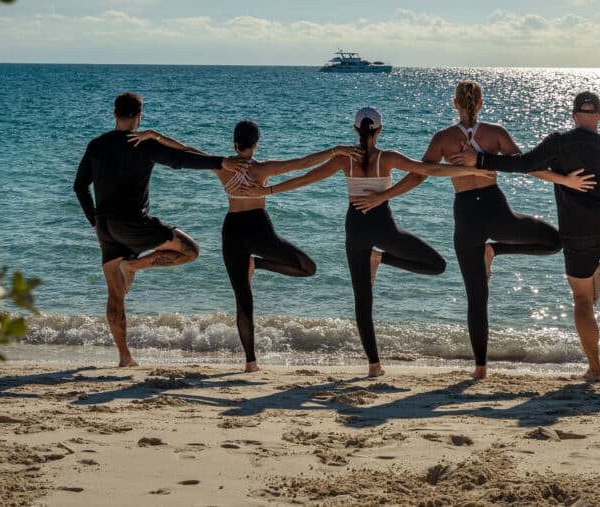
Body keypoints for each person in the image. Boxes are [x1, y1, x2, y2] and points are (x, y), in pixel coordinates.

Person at [352, 81, 596, 379]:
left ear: (455, 104)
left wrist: (383, 196)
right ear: (480, 104)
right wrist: (566, 180)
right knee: (554, 242)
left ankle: (480, 369)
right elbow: (527, 167)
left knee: (477, 297)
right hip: (496, 211)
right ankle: (496, 250)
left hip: (466, 217)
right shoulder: (495, 133)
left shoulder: (443, 138)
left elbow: (421, 174)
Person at [244, 107, 490, 377]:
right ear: (380, 131)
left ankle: (374, 365)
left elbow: (305, 178)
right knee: (436, 265)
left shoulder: (344, 160)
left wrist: (267, 190)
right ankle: (382, 260)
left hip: (356, 228)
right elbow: (427, 170)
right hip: (382, 226)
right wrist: (473, 170)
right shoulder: (387, 157)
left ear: (355, 130)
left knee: (363, 300)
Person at [452, 90, 600, 382]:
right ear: (598, 117)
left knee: (582, 301)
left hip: (576, 235)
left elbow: (525, 164)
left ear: (574, 116)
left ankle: (595, 369)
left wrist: (482, 161)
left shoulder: (560, 142)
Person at [127, 121, 360, 372]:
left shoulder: (222, 166)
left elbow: (186, 150)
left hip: (233, 231)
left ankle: (251, 361)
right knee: (307, 268)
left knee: (243, 301)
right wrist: (335, 150)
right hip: (259, 230)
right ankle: (251, 351)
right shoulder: (263, 169)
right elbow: (303, 163)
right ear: (256, 143)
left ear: (234, 142)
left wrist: (155, 135)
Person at [73, 92, 246, 367]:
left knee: (115, 294)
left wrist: (94, 222)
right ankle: (134, 267)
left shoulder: (96, 145)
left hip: (105, 227)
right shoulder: (143, 144)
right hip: (134, 225)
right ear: (140, 116)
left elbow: (79, 186)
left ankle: (125, 357)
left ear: (114, 113)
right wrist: (219, 162)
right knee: (190, 250)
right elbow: (181, 160)